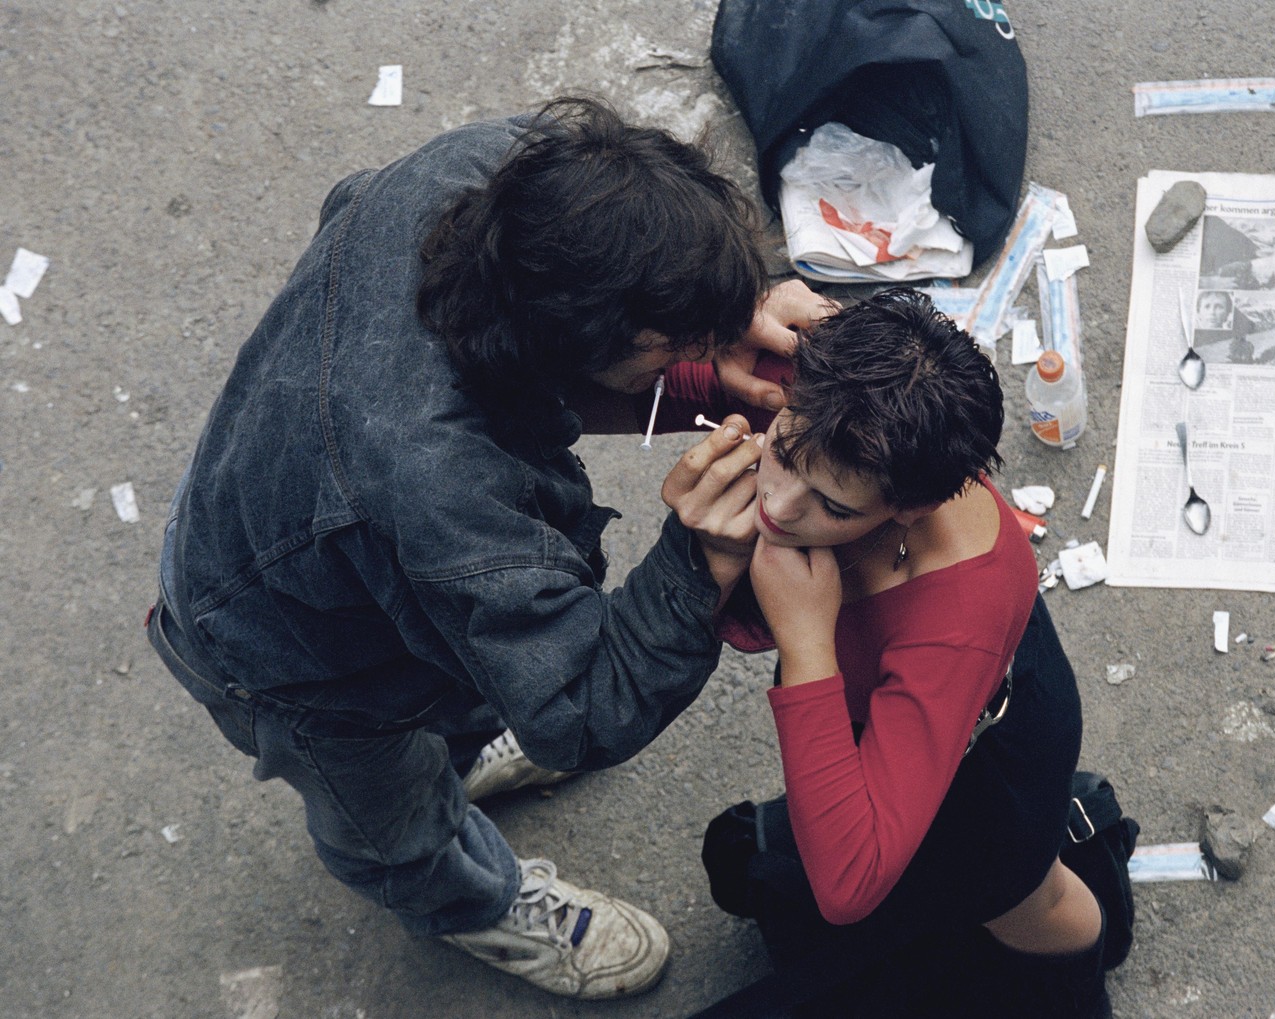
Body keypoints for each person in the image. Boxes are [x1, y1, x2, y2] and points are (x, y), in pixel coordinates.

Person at [145, 96, 827, 1001]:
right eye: (665, 354)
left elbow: (361, 217)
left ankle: (466, 747)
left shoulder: (496, 173)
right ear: (570, 344)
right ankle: (472, 903)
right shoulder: (443, 493)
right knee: (391, 816)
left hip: (301, 510)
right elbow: (581, 709)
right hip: (286, 656)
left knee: (467, 677)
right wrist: (695, 561)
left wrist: (711, 333)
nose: (685, 363)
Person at [699, 289, 1112, 1017]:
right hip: (897, 707)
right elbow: (622, 359)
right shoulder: (839, 386)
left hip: (988, 762)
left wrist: (805, 645)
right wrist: (725, 330)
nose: (780, 507)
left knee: (1027, 900)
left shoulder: (954, 619)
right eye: (784, 453)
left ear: (910, 508)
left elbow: (850, 883)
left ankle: (1079, 989)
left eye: (833, 507)